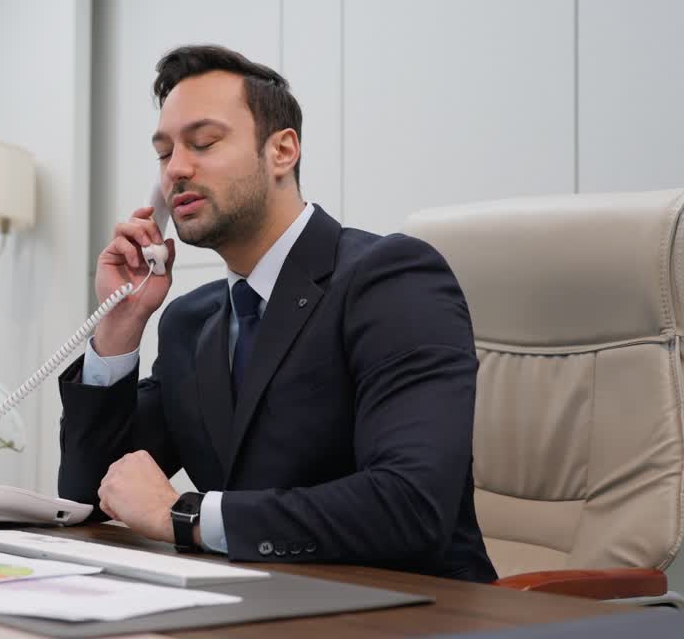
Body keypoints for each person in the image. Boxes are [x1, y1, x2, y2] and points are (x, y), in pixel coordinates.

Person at [57, 45, 497, 582]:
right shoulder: (190, 323)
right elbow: (90, 497)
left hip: (412, 612)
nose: (176, 169)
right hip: (255, 605)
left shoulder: (390, 278)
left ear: (283, 151)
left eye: (204, 143)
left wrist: (188, 516)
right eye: (164, 152)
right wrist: (118, 329)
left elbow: (410, 504)